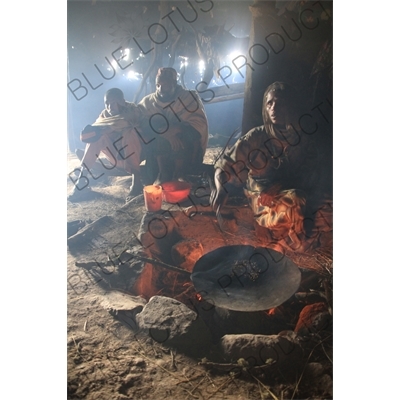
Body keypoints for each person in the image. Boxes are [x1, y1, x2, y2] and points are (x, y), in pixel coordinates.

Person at [211, 81, 332, 251]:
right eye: (270, 103)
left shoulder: (303, 139)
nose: (274, 108)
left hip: (290, 193)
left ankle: (283, 229)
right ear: (265, 109)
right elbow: (224, 167)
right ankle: (287, 240)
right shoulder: (256, 137)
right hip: (262, 200)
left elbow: (311, 177)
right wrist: (221, 190)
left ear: (291, 106)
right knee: (296, 201)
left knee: (328, 205)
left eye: (280, 103)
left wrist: (278, 186)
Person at [68, 88, 143, 202]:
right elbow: (94, 130)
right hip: (115, 156)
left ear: (122, 101)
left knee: (130, 132)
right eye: (107, 103)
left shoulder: (133, 110)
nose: (109, 107)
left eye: (113, 103)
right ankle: (81, 181)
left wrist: (109, 129)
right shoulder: (104, 115)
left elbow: (126, 122)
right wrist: (97, 133)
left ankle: (136, 182)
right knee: (97, 138)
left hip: (136, 157)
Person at [137, 67, 209, 184]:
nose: (161, 89)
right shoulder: (147, 102)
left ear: (174, 83)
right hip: (158, 153)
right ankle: (162, 174)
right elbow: (140, 124)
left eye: (165, 85)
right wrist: (165, 133)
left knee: (184, 135)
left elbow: (199, 124)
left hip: (186, 149)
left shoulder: (188, 98)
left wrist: (176, 129)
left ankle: (180, 173)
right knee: (154, 127)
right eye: (158, 85)